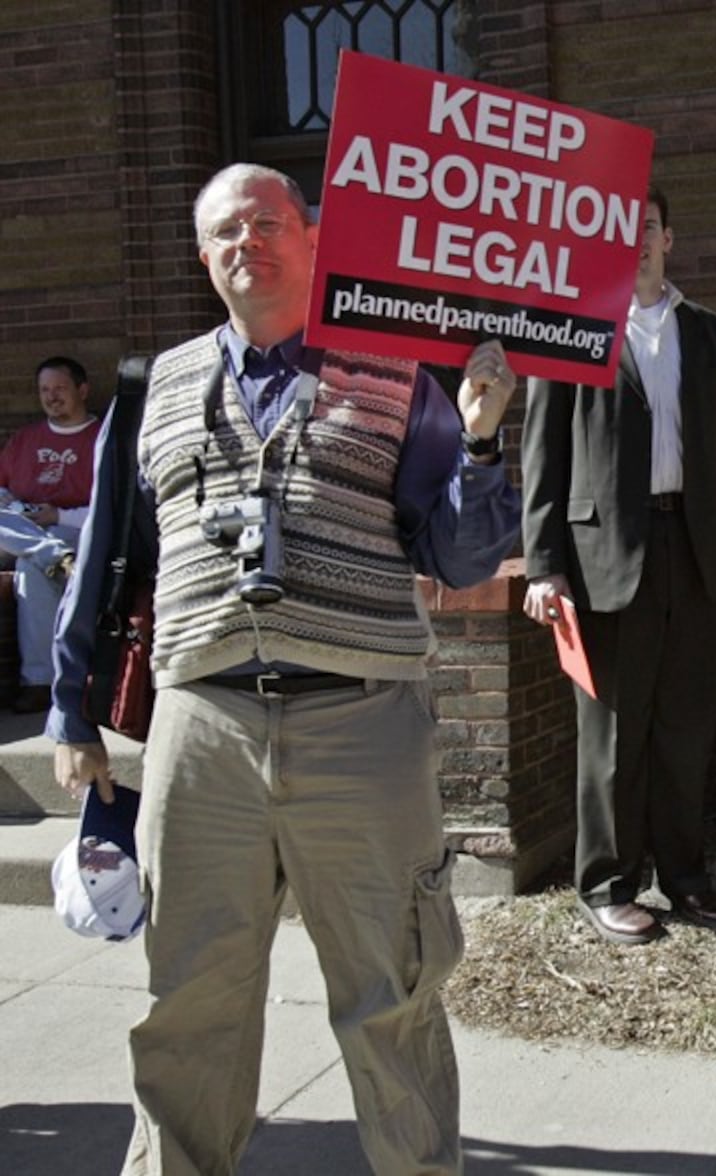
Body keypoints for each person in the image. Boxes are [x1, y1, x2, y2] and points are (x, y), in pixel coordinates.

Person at [46, 162, 519, 1175]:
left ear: (311, 236)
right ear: (202, 256)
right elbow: (104, 564)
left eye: (266, 222)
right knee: (189, 1004)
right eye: (223, 232)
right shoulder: (152, 389)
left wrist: (481, 444)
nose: (244, 244)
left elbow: (461, 556)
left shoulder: (399, 376)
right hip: (200, 730)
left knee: (392, 992)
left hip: (362, 722)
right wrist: (72, 713)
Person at [522, 183, 716, 946]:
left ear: (669, 238)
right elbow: (543, 453)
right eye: (619, 230)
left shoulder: (711, 334)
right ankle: (606, 883)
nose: (635, 242)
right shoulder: (568, 331)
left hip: (696, 550)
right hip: (602, 560)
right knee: (614, 735)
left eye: (648, 227)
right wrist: (542, 565)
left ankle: (685, 876)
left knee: (686, 725)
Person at [0, 357, 101, 712]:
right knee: (34, 550)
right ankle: (50, 553)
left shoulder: (102, 439)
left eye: (59, 389)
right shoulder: (25, 439)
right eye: (45, 390)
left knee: (32, 568)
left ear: (82, 390)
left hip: (71, 530)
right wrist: (8, 502)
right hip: (21, 531)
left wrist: (59, 514)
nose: (51, 397)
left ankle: (40, 681)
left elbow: (114, 508)